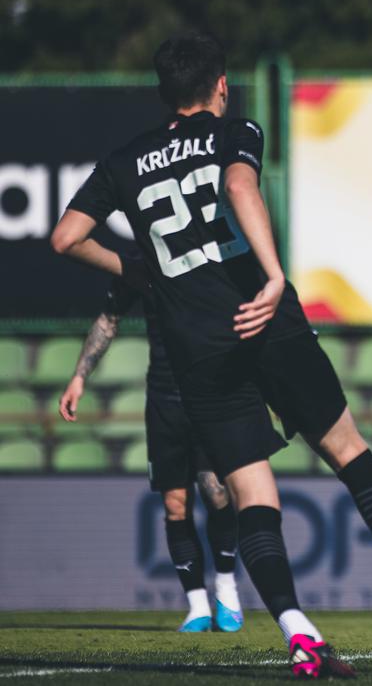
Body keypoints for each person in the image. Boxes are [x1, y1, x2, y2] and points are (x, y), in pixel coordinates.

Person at [51, 32, 372, 678]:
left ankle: (299, 633)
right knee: (350, 453)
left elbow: (64, 237)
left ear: (164, 92)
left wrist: (138, 270)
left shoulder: (126, 160)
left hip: (197, 344)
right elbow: (242, 188)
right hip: (263, 319)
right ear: (220, 84)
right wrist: (273, 277)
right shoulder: (232, 130)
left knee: (252, 494)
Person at [58, 254, 244, 633]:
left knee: (217, 492)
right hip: (163, 397)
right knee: (175, 505)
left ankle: (226, 587)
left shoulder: (208, 258)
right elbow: (109, 319)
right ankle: (197, 607)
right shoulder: (139, 268)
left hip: (210, 393)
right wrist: (79, 377)